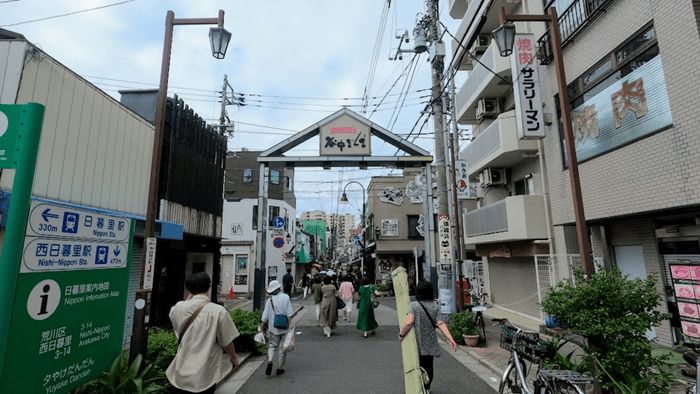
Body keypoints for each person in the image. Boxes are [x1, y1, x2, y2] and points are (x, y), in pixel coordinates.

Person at [167, 272, 240, 394]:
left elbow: (177, 323)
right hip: (205, 374)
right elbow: (226, 342)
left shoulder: (177, 308)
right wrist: (234, 358)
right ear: (209, 287)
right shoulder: (218, 311)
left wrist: (188, 299)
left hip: (181, 371)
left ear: (188, 289)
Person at [398, 281, 458, 394]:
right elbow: (441, 323)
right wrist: (451, 338)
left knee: (416, 366)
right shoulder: (434, 306)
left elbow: (408, 323)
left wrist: (401, 335)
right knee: (428, 367)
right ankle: (427, 388)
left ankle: (417, 388)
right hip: (429, 344)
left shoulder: (414, 306)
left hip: (416, 344)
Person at [260, 280, 294, 376]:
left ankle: (270, 360)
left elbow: (265, 315)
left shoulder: (270, 300)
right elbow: (289, 313)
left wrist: (262, 327)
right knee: (283, 347)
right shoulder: (286, 297)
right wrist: (290, 324)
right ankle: (280, 367)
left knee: (272, 345)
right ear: (279, 288)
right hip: (284, 326)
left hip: (273, 327)